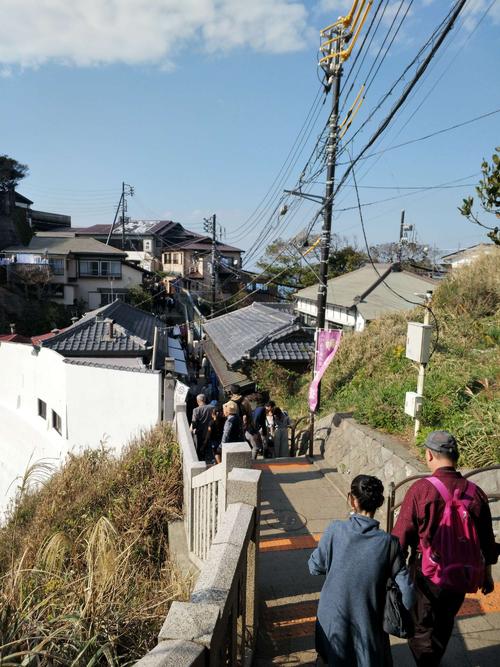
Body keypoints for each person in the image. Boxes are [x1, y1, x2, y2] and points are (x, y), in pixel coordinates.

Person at [392, 430, 498, 667]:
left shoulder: (421, 489)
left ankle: (427, 662)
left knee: (420, 626)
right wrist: (487, 575)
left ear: (429, 455)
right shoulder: (476, 493)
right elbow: (487, 542)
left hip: (426, 574)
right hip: (462, 574)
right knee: (445, 621)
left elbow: (400, 538)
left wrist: (391, 572)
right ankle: (434, 658)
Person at [309, 475, 414, 666]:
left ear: (352, 500)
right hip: (368, 622)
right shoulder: (389, 544)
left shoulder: (334, 529)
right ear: (379, 503)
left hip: (331, 618)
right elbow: (407, 594)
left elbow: (314, 567)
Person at [190, 394, 212, 460]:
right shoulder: (212, 407)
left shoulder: (196, 410)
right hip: (210, 432)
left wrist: (191, 430)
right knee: (209, 449)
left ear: (197, 401)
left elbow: (194, 422)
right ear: (205, 400)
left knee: (198, 449)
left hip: (199, 433)